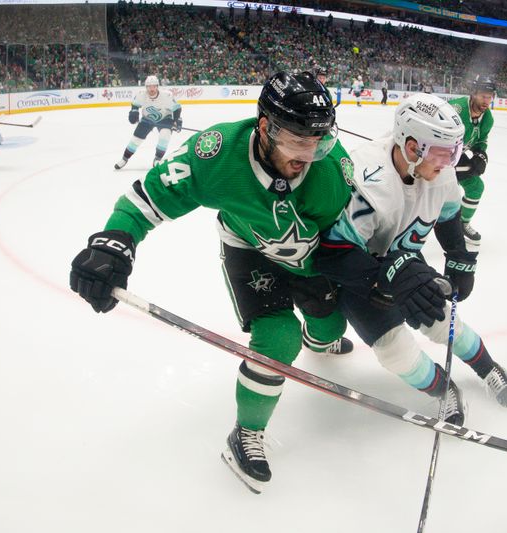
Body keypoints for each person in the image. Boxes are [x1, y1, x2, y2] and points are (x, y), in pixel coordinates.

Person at [70, 71, 354, 494]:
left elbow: (355, 238)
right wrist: (115, 241)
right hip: (247, 248)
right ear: (265, 128)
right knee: (278, 338)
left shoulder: (332, 170)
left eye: (318, 140)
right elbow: (148, 198)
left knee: (329, 325)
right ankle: (246, 432)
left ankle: (323, 338)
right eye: (298, 140)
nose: (309, 153)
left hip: (310, 258)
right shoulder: (215, 154)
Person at [315, 93, 507, 427]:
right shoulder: (368, 179)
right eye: (444, 152)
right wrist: (385, 275)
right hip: (359, 276)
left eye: (456, 151)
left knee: (444, 320)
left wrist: (457, 255)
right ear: (412, 147)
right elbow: (333, 254)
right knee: (395, 350)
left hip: (403, 261)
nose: (451, 161)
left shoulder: (441, 172)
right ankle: (443, 388)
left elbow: (449, 214)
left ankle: (488, 367)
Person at [449, 75, 496, 246]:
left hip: (457, 155)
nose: (486, 100)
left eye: (490, 97)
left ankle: (462, 223)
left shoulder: (488, 118)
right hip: (437, 155)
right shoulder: (456, 109)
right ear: (473, 94)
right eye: (483, 96)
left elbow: (481, 140)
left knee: (476, 187)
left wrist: (480, 155)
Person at [114, 75, 182, 169]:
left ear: (157, 86)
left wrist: (176, 120)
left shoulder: (167, 95)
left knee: (165, 135)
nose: (151, 89)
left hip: (165, 118)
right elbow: (135, 105)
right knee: (135, 140)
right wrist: (134, 112)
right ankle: (124, 159)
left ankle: (157, 158)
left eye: (154, 86)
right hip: (147, 119)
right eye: (149, 86)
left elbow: (177, 108)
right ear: (146, 87)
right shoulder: (141, 94)